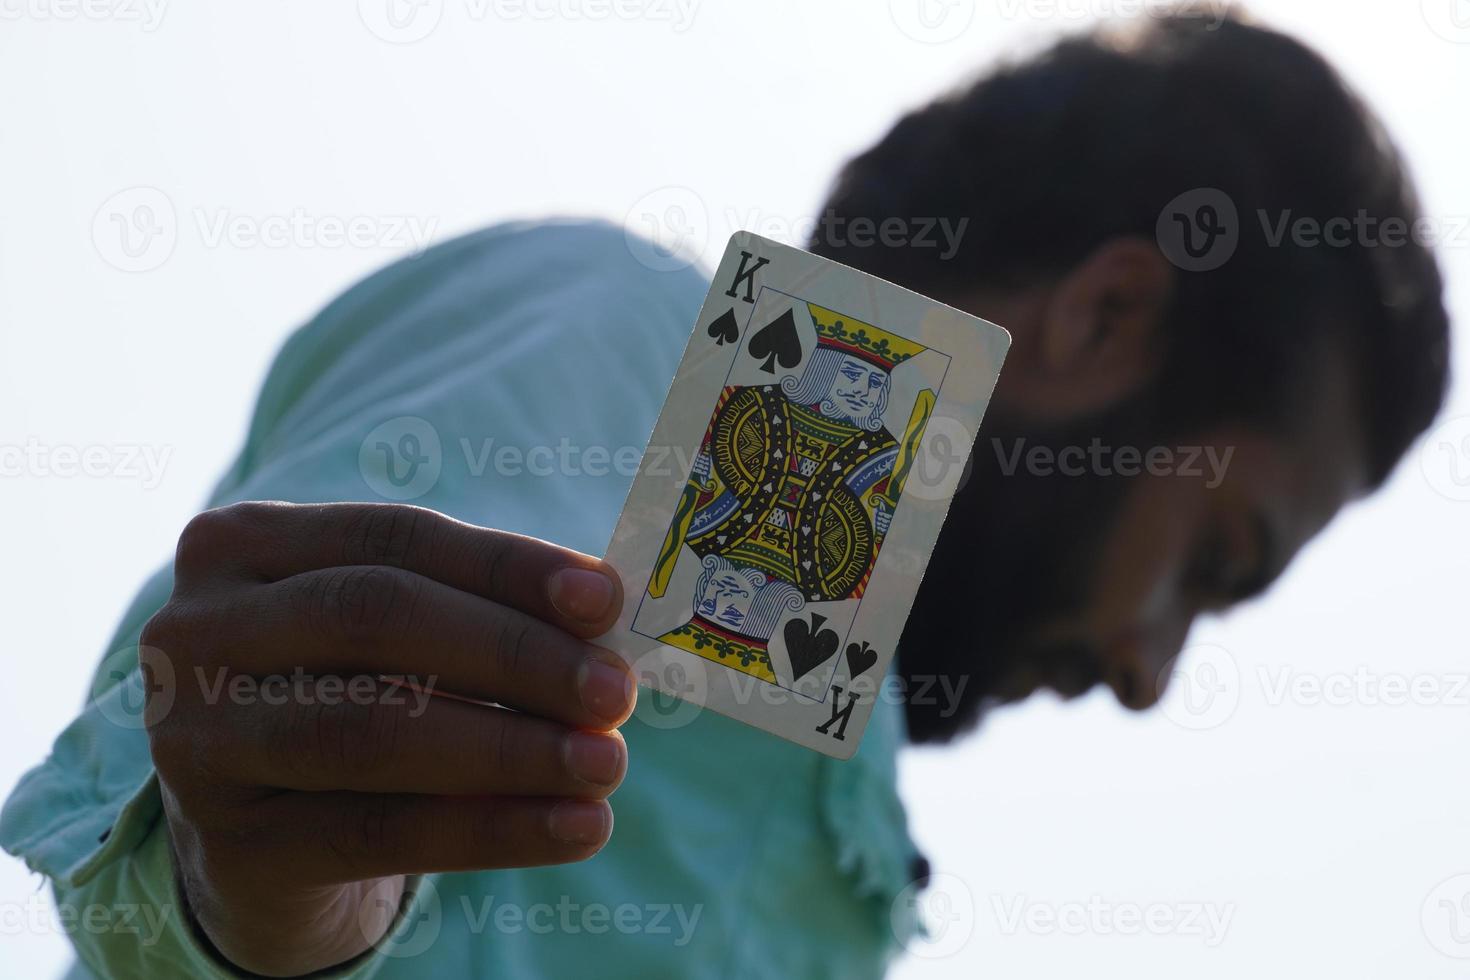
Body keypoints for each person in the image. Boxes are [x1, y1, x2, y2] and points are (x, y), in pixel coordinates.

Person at [1, 10, 1449, 979]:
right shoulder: (625, 340)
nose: (1146, 674)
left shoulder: (835, 776)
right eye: (1212, 558)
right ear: (1104, 321)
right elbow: (256, 821)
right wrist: (264, 895)